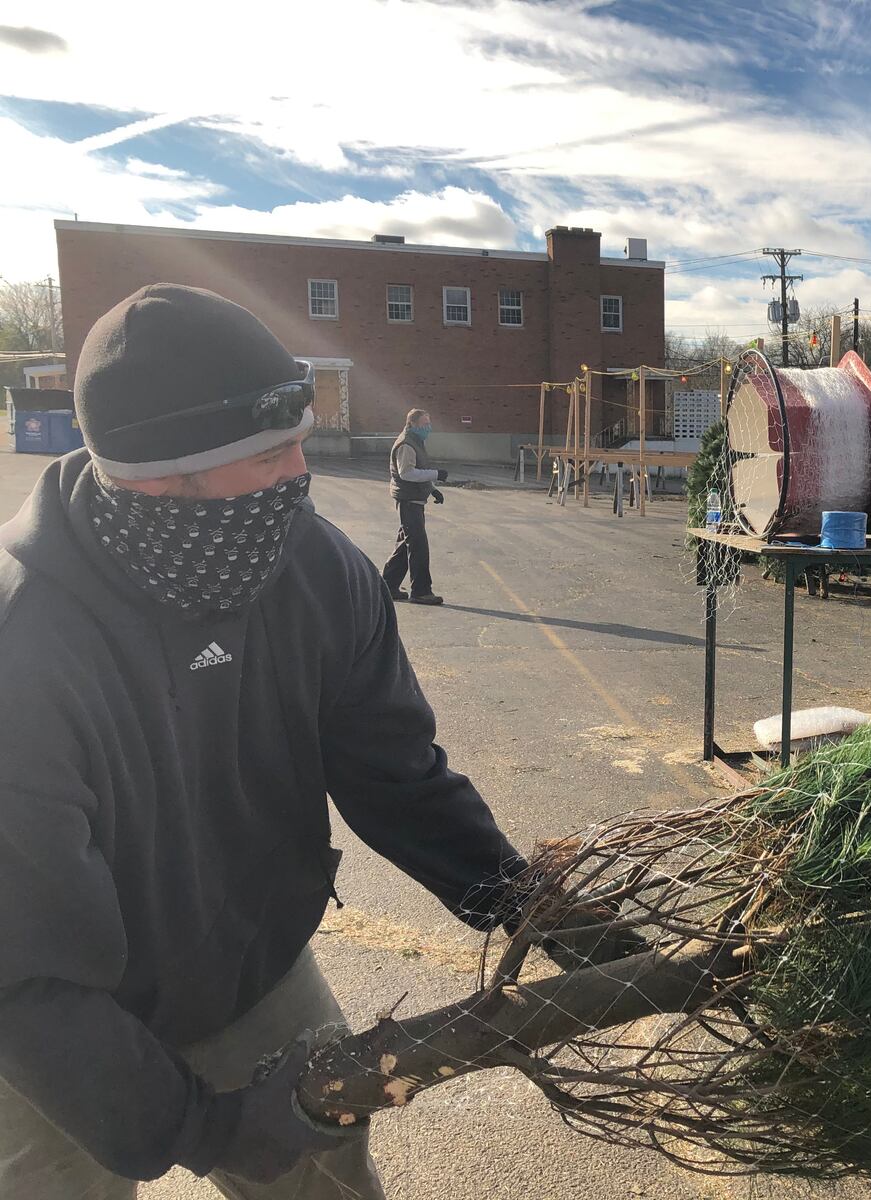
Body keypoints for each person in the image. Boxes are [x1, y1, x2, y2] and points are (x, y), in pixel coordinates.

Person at [0, 284, 528, 1197]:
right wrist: (200, 1127)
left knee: (326, 1181)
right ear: (161, 474)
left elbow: (397, 774)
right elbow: (24, 974)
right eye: (270, 451)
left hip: (247, 967)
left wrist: (525, 898)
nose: (303, 472)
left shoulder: (315, 571)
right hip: (47, 1016)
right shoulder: (24, 647)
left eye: (300, 439)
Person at [382, 408, 447, 605]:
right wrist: (436, 475)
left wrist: (432, 489)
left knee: (405, 544)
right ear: (412, 425)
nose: (428, 428)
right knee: (418, 546)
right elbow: (407, 473)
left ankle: (388, 586)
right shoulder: (406, 444)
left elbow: (419, 471)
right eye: (424, 424)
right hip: (408, 500)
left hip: (413, 499)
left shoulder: (416, 441)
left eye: (429, 423)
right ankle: (420, 591)